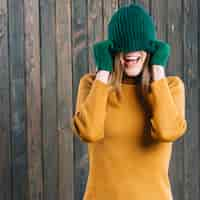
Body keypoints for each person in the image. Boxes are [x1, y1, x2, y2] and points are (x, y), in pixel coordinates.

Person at [71, 3, 188, 200]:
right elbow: (89, 131)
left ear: (150, 48)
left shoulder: (171, 87)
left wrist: (157, 70)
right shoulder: (92, 85)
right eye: (123, 45)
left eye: (138, 45)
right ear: (112, 50)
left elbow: (167, 131)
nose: (130, 52)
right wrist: (103, 73)